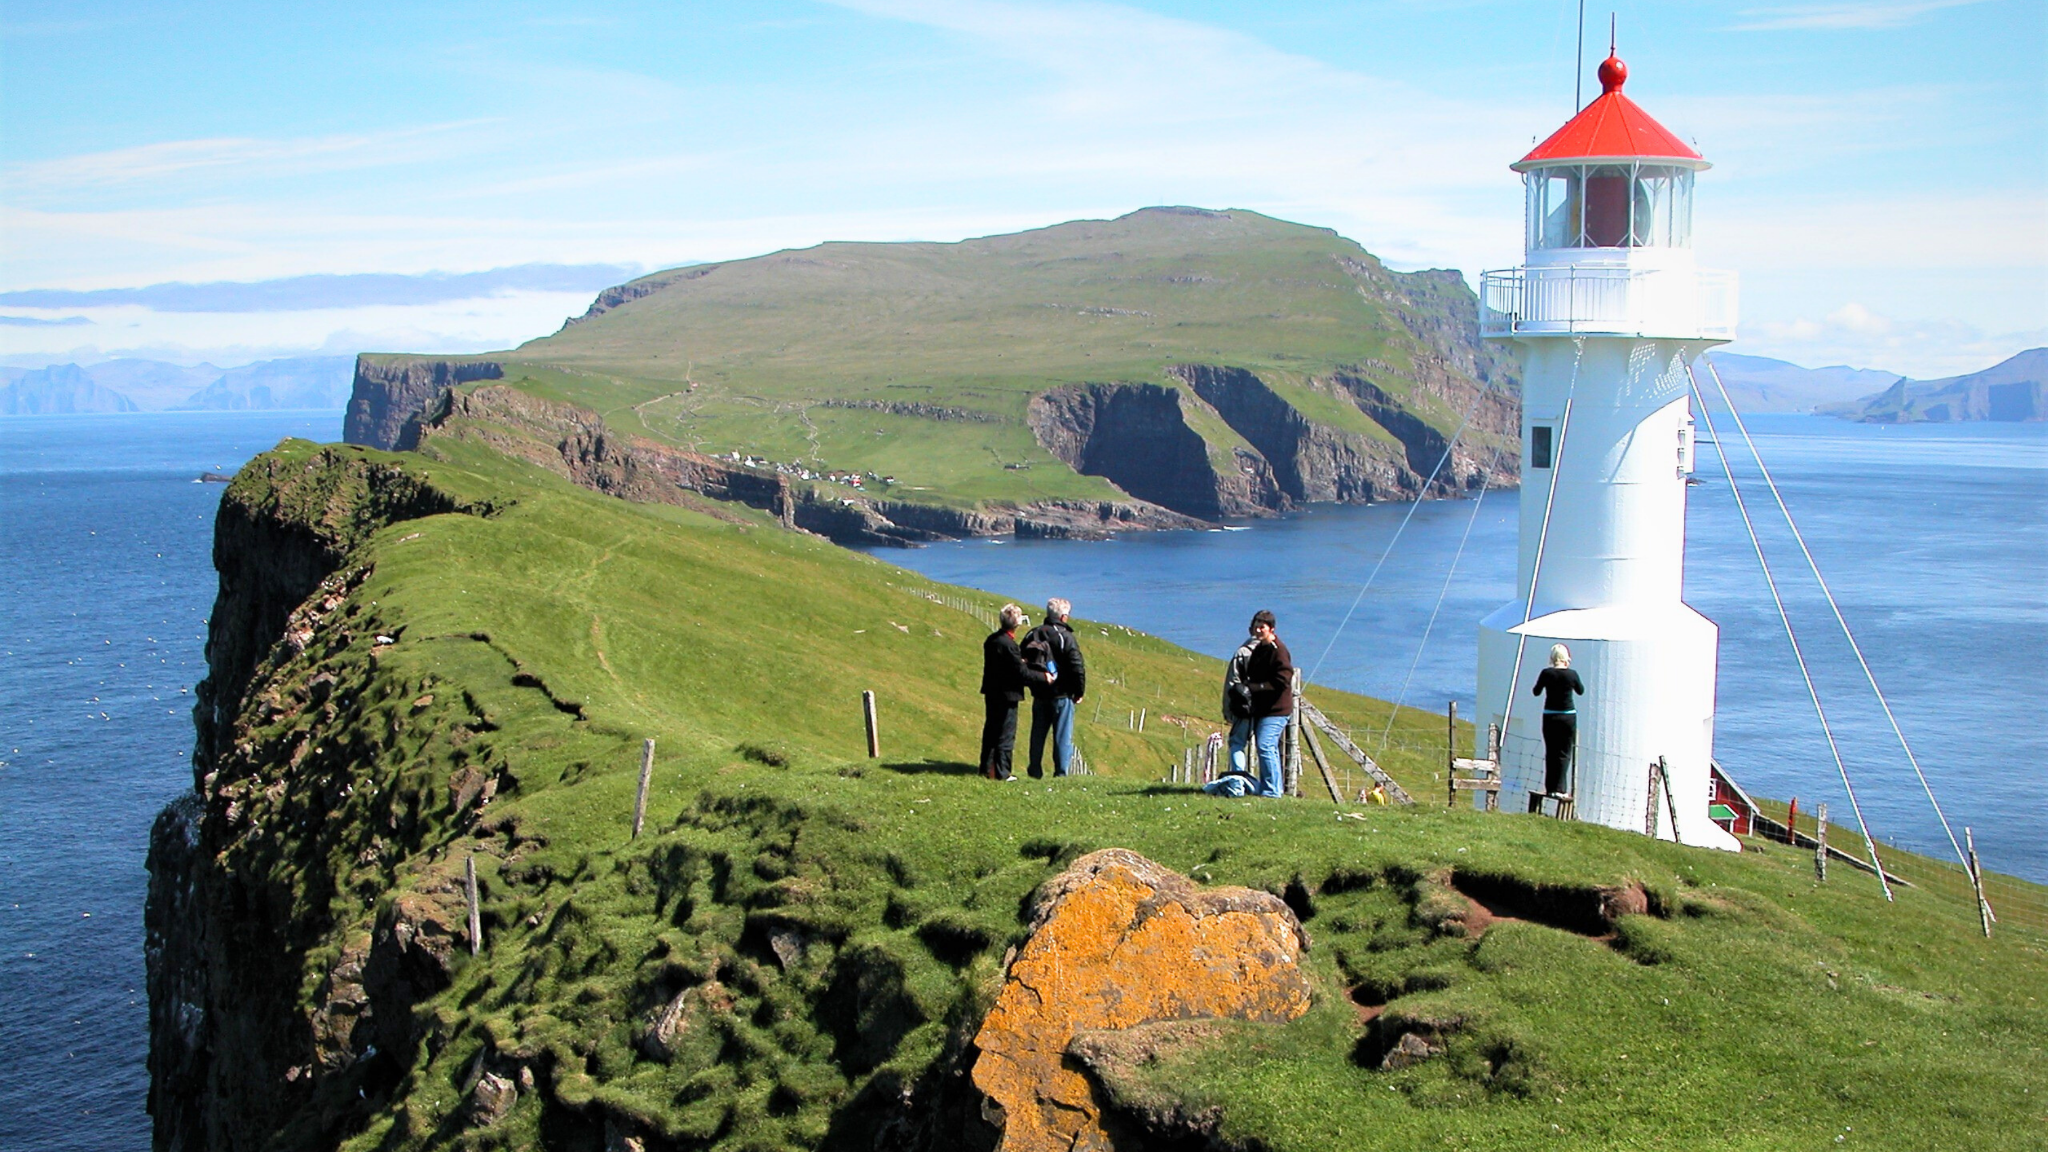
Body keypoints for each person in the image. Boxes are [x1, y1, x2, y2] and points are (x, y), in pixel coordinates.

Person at [1206, 611, 1292, 798]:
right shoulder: (1261, 648)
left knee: (1265, 745)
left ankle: (1271, 790)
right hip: (1262, 708)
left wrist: (1254, 688)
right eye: (1256, 626)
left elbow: (1283, 679)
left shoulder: (1278, 651)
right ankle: (1270, 787)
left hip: (1277, 709)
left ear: (1271, 629)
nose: (1258, 630)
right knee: (1267, 747)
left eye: (1262, 627)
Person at [981, 604, 1051, 781]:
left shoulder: (992, 640)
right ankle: (1003, 772)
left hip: (992, 691)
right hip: (1008, 693)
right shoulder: (1010, 645)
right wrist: (1044, 677)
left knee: (991, 731)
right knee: (1006, 734)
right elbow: (1021, 673)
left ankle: (986, 768)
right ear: (1016, 623)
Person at [1023, 598, 1086, 778]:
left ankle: (1034, 769)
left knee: (1038, 734)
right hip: (1061, 694)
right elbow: (1077, 666)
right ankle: (1060, 773)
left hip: (1039, 693)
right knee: (1062, 737)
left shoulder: (1033, 634)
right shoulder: (1065, 637)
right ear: (1064, 617)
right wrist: (1079, 691)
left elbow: (1022, 660)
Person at [1531, 643, 1584, 804]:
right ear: (1566, 658)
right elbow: (1581, 691)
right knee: (1564, 753)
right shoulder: (1572, 674)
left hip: (1550, 716)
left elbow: (1536, 691)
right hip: (1567, 716)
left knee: (1551, 752)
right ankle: (1561, 789)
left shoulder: (1546, 673)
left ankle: (1550, 788)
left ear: (1552, 658)